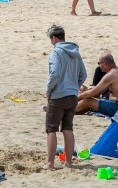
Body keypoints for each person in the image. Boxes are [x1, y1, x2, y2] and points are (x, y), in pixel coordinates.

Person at [44, 24, 87, 171]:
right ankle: (68, 162)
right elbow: (84, 75)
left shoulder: (56, 52)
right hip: (72, 95)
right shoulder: (75, 51)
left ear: (54, 38)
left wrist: (48, 90)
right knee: (68, 128)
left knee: (51, 129)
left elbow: (54, 74)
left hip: (58, 96)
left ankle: (50, 163)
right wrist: (75, 87)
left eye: (51, 39)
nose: (51, 42)